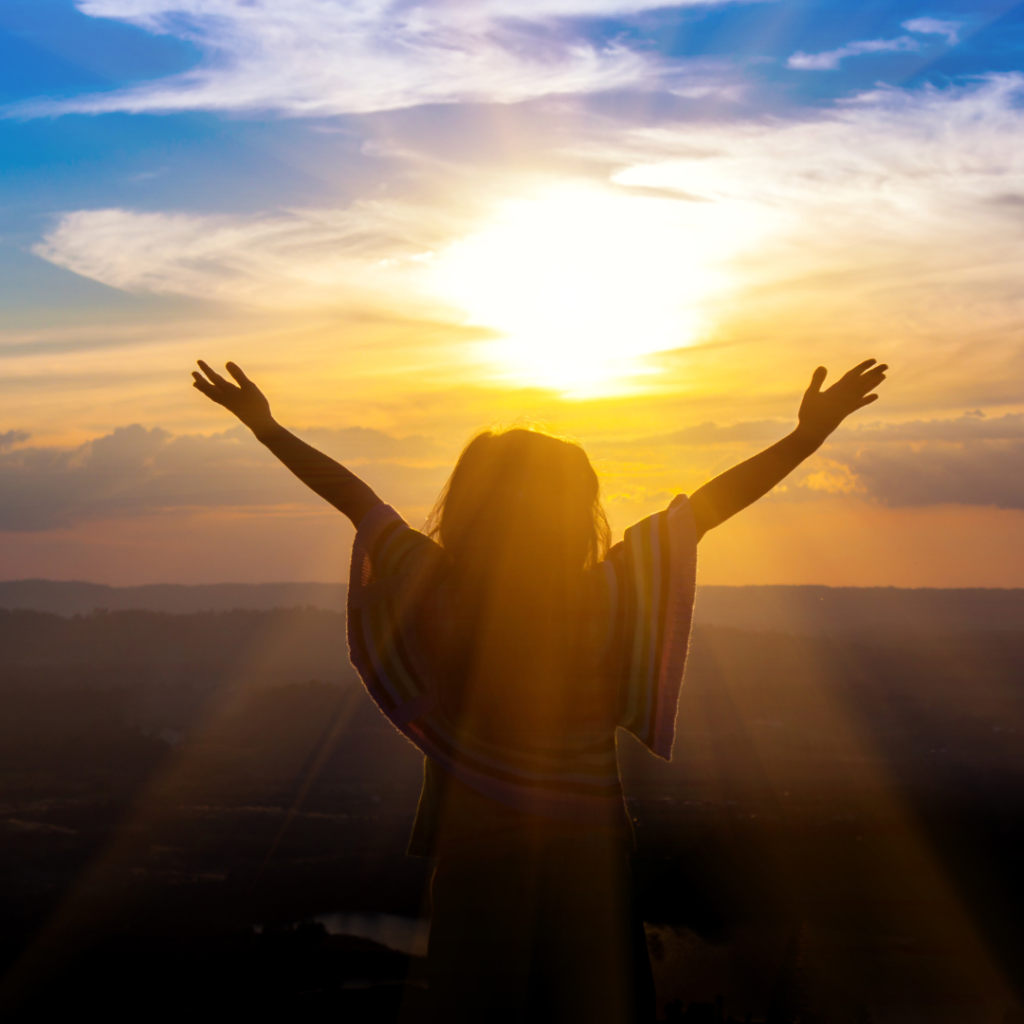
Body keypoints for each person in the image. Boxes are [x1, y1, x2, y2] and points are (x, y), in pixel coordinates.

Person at [192, 356, 887, 1022]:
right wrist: (805, 437)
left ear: (470, 509)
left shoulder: (434, 592)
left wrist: (266, 427)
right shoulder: (603, 598)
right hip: (589, 858)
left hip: (474, 862)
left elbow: (356, 500)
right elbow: (705, 509)